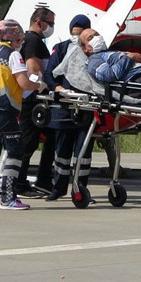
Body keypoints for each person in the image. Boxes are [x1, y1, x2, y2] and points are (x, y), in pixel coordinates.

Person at [0, 19, 42, 210]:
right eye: (20, 39)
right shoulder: (12, 55)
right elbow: (24, 84)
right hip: (2, 107)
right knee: (15, 150)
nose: (21, 42)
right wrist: (39, 85)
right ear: (14, 38)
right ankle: (8, 198)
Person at [42, 14, 93, 201]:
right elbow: (49, 74)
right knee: (62, 151)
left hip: (86, 108)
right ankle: (58, 188)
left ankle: (80, 189)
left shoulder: (93, 50)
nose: (76, 36)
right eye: (74, 33)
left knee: (83, 153)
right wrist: (58, 88)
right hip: (64, 107)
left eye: (80, 33)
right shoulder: (61, 49)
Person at [15, 7, 56, 197]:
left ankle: (42, 180)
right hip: (33, 99)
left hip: (35, 98)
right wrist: (44, 84)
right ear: (39, 22)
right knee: (28, 142)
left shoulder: (33, 40)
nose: (52, 27)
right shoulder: (33, 40)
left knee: (48, 137)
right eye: (51, 23)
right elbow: (34, 70)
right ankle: (19, 183)